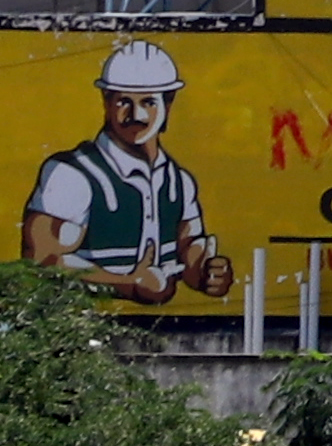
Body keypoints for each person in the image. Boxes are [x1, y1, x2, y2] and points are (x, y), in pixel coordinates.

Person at [24, 37, 226, 304]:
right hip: (81, 331)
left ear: (168, 105)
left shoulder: (178, 182)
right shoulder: (72, 174)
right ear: (106, 103)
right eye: (124, 102)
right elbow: (42, 260)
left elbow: (188, 246)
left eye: (149, 103)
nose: (137, 115)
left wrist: (206, 273)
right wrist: (128, 284)